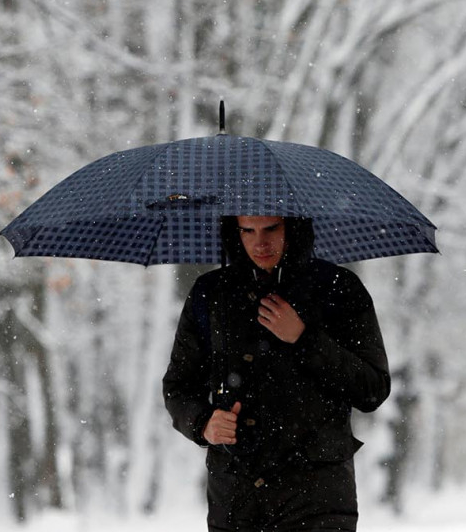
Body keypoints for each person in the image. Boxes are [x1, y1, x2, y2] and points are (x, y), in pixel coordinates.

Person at [163, 214, 391, 532]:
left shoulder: (338, 288)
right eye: (248, 230)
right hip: (235, 498)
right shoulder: (211, 293)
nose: (260, 242)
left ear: (292, 228)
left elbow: (372, 388)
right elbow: (178, 387)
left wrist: (304, 338)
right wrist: (203, 424)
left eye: (271, 228)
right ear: (234, 233)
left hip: (317, 496)